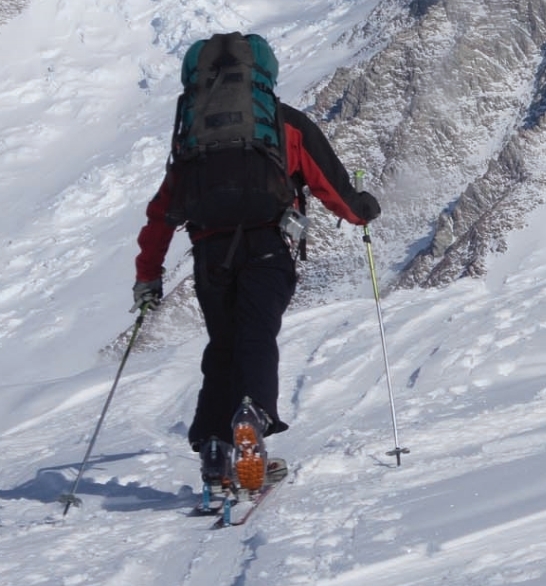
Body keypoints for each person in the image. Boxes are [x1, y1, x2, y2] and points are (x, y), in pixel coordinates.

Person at [133, 35, 377, 492]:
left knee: (223, 345)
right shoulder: (284, 125)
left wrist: (148, 277)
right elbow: (331, 186)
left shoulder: (193, 136)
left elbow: (161, 213)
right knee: (256, 336)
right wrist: (361, 211)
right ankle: (253, 418)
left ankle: (214, 446)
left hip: (209, 256)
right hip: (268, 244)